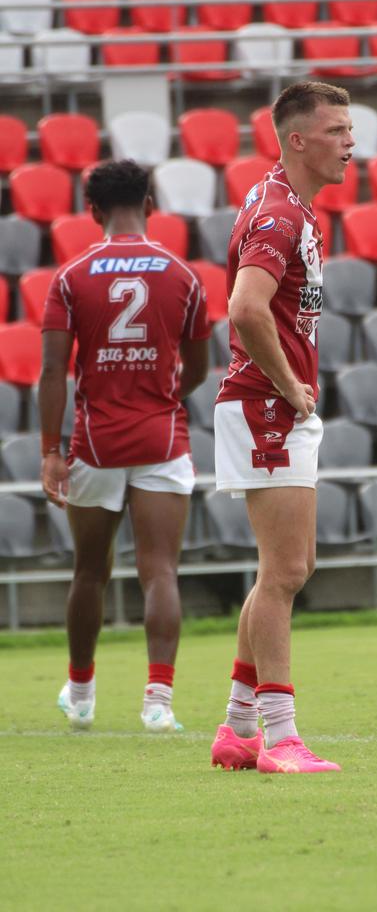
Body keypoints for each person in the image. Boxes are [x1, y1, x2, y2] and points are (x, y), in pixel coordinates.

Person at [210, 80, 354, 774]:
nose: (348, 144)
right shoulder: (280, 216)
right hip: (267, 407)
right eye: (335, 131)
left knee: (289, 569)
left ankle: (237, 731)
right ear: (297, 139)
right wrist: (288, 384)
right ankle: (282, 737)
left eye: (348, 131)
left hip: (270, 406)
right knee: (287, 571)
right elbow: (244, 307)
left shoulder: (285, 202)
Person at [39, 159, 210, 733]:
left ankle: (82, 693)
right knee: (160, 571)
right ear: (151, 205)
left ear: (92, 211)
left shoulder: (70, 276)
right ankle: (158, 703)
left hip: (96, 442)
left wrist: (49, 451)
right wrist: (163, 393)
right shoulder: (183, 275)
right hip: (163, 436)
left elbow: (50, 373)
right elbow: (200, 368)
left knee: (89, 572)